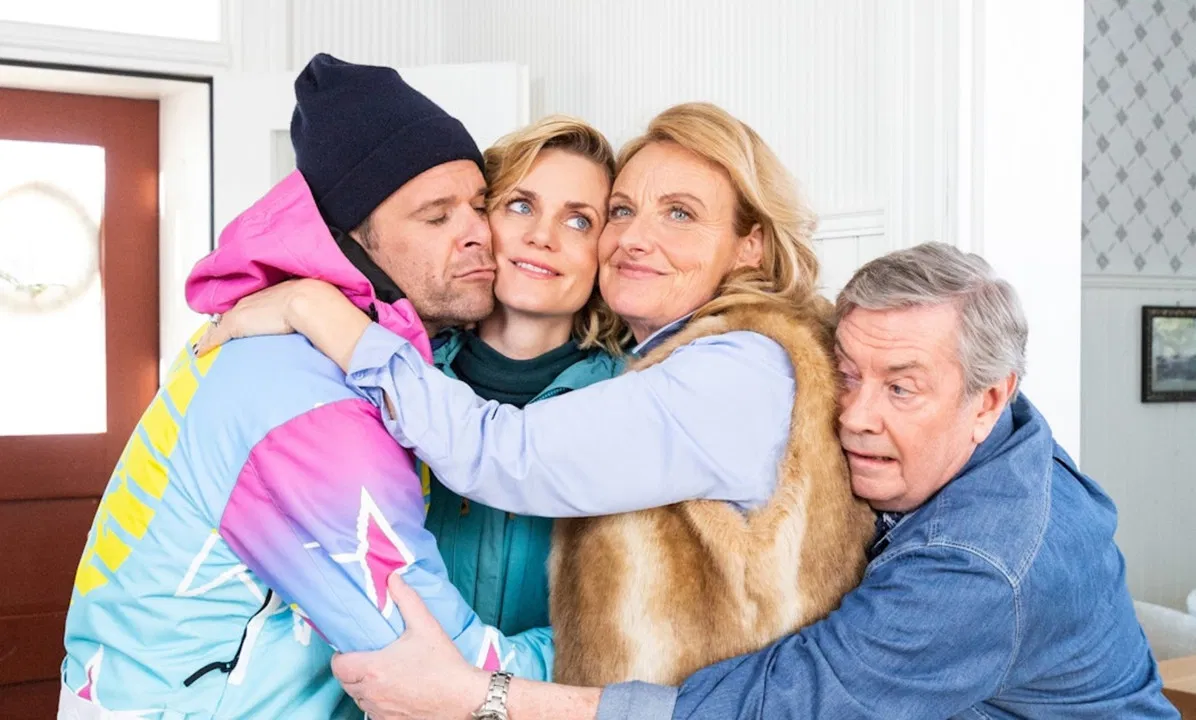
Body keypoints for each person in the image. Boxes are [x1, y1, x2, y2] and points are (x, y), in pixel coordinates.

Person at [305, 243, 1181, 719]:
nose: (855, 416)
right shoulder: (984, 434)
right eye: (847, 376)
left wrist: (479, 699)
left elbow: (779, 709)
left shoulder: (979, 565)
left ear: (989, 398)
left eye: (902, 388)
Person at [195, 102, 877, 700]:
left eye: (582, 219)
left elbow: (508, 457)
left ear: (751, 244)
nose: (631, 238)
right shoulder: (391, 377)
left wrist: (317, 308)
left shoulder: (705, 379)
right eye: (622, 212)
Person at [57, 54, 580, 718]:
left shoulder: (293, 341)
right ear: (352, 240)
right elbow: (449, 672)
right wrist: (647, 649)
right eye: (436, 217)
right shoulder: (307, 406)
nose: (481, 234)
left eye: (479, 205)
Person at [423, 114, 629, 668]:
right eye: (520, 206)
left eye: (579, 221)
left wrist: (483, 683)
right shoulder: (405, 377)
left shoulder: (634, 401)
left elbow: (634, 621)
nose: (543, 236)